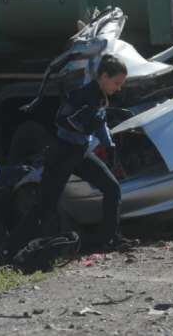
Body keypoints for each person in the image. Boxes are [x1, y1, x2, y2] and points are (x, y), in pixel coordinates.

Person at [23, 54, 129, 252]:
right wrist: (82, 123)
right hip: (63, 152)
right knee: (45, 205)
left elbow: (100, 123)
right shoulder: (84, 93)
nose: (118, 88)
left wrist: (109, 145)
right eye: (116, 83)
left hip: (80, 153)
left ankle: (109, 239)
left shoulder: (100, 96)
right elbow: (62, 120)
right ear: (104, 76)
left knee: (112, 188)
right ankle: (21, 250)